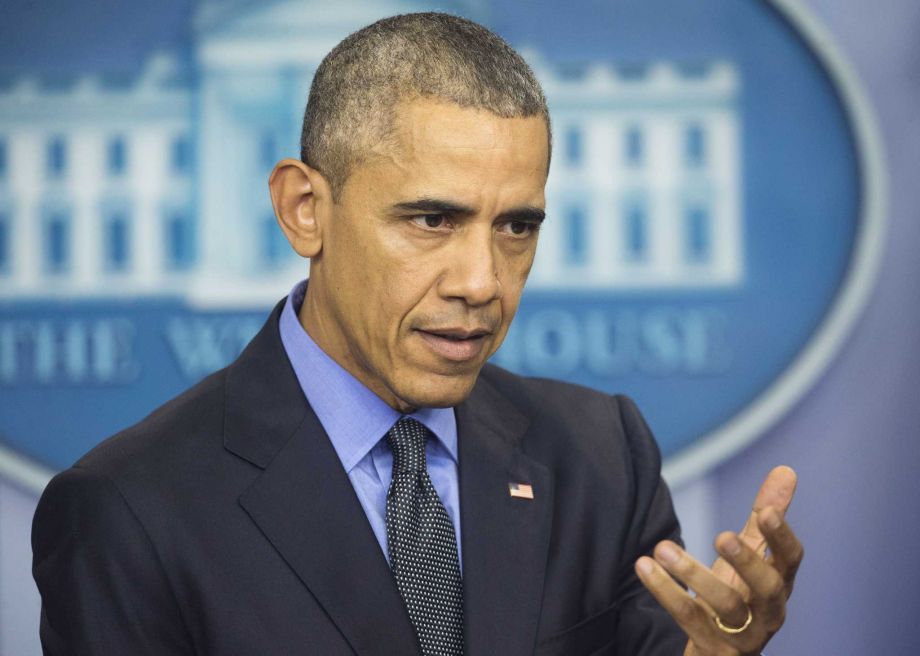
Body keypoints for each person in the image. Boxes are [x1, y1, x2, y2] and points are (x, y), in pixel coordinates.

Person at [31, 12, 802, 656]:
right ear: (305, 208)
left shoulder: (604, 456)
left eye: (517, 226)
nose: (484, 281)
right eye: (433, 220)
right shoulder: (127, 512)